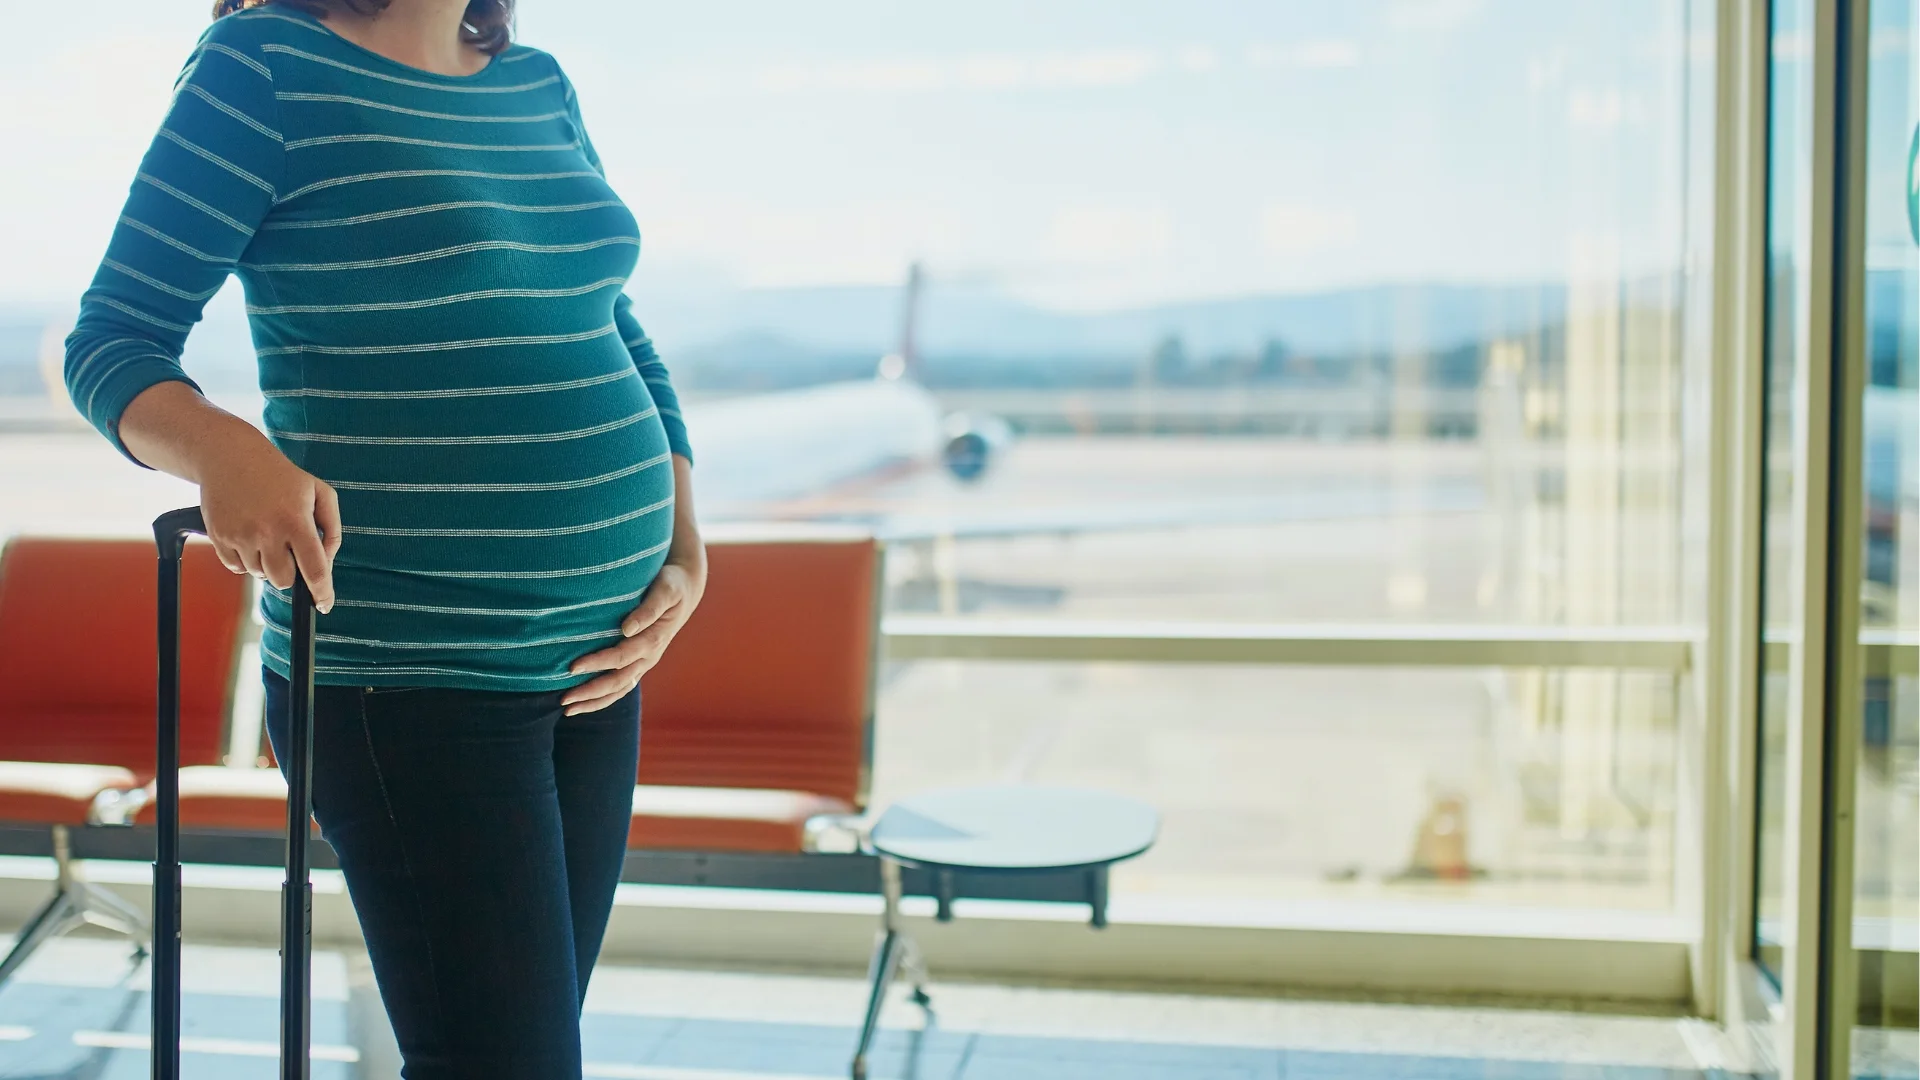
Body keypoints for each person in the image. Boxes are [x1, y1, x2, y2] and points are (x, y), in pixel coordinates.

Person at [63, 0, 705, 1075]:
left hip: (601, 667)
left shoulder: (534, 80)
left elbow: (610, 320)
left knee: (508, 1051)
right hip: (411, 677)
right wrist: (227, 450)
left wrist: (684, 546)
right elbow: (115, 337)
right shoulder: (264, 66)